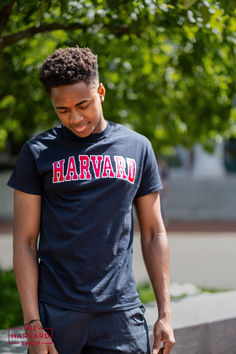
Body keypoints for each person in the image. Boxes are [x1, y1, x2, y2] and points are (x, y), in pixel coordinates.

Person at [8, 47, 175, 354]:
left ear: (100, 92)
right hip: (57, 311)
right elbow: (25, 242)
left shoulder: (137, 148)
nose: (75, 117)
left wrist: (165, 313)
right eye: (62, 110)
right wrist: (32, 324)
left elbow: (154, 232)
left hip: (120, 314)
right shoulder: (37, 153)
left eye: (83, 105)